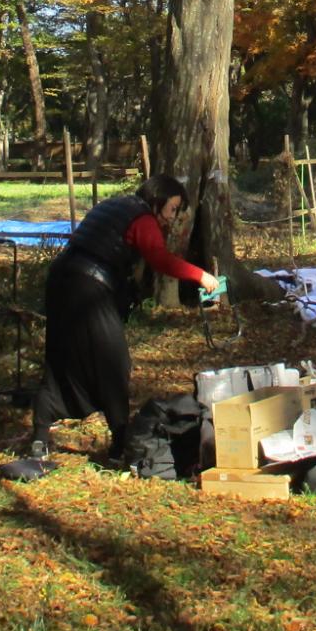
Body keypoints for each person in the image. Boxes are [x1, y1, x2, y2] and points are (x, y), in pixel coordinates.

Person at [26, 173, 226, 463]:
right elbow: (160, 259)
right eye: (172, 209)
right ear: (157, 200)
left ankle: (39, 439)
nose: (171, 218)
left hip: (60, 281)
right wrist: (201, 275)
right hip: (88, 289)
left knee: (60, 360)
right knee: (114, 363)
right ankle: (121, 444)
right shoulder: (143, 218)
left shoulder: (116, 206)